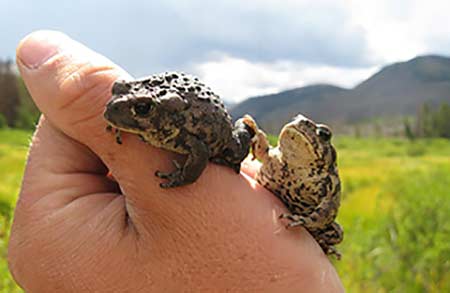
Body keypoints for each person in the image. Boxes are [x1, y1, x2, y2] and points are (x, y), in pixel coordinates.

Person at [7, 31, 344, 292]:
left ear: (156, 115)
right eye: (119, 97)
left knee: (228, 152)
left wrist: (181, 178)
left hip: (216, 132)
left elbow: (197, 152)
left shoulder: (175, 130)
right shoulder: (150, 116)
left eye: (139, 109)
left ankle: (241, 130)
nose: (119, 108)